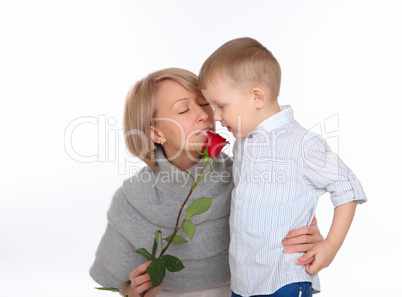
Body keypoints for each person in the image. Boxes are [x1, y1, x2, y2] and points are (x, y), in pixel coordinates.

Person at [90, 68, 325, 297]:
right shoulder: (132, 199)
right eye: (183, 110)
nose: (204, 114)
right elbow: (123, 286)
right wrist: (136, 291)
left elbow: (290, 224)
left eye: (204, 104)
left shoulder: (248, 178)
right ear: (155, 133)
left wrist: (311, 239)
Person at [199, 37, 368, 297]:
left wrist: (331, 245)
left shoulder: (301, 143)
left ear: (256, 97)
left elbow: (347, 187)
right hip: (244, 280)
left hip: (284, 278)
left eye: (221, 106)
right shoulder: (244, 141)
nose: (217, 117)